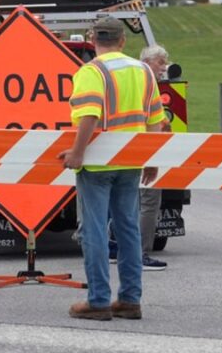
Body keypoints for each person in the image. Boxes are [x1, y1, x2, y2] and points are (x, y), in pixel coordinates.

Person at [58, 17, 165, 321]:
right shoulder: (143, 71)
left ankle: (99, 300)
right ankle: (130, 300)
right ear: (122, 41)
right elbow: (155, 118)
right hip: (131, 163)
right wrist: (150, 157)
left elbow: (90, 115)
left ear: (93, 40)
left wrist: (77, 153)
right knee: (128, 230)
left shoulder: (92, 72)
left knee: (94, 231)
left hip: (97, 165)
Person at [108, 44, 171, 271]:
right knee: (149, 202)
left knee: (125, 202)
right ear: (146, 61)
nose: (164, 67)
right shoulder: (147, 82)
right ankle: (140, 254)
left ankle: (117, 247)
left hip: (124, 149)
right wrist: (165, 125)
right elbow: (155, 118)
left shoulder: (129, 80)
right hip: (144, 148)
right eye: (160, 62)